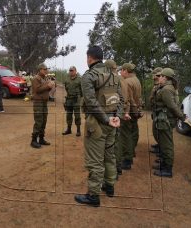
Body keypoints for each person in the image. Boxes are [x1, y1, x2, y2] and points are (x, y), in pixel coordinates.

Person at [74, 46, 121, 207]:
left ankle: (93, 196)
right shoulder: (115, 75)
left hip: (97, 124)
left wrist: (106, 119)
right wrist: (116, 117)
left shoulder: (89, 76)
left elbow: (91, 103)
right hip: (112, 122)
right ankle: (109, 187)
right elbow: (119, 99)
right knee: (109, 156)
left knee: (95, 160)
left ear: (89, 58)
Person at [152, 68, 186, 177]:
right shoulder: (168, 87)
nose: (159, 77)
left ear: (165, 78)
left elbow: (172, 106)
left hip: (165, 120)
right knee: (164, 142)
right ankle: (165, 164)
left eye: (161, 76)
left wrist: (181, 116)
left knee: (167, 145)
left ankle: (168, 169)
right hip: (164, 119)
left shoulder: (166, 89)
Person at [104, 60, 126, 177]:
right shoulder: (117, 79)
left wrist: (117, 115)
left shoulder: (113, 80)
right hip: (115, 116)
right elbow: (122, 100)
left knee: (112, 146)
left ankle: (115, 170)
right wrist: (119, 115)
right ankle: (117, 169)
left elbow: (121, 99)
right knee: (115, 144)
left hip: (110, 117)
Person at [120, 63, 142, 170]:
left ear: (126, 71)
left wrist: (126, 112)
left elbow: (128, 100)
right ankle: (131, 152)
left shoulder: (126, 82)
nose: (120, 72)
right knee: (133, 131)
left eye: (122, 70)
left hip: (129, 111)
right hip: (135, 110)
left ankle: (127, 159)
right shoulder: (136, 80)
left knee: (125, 134)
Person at [30, 63, 55, 149]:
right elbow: (37, 90)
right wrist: (47, 85)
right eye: (44, 69)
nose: (46, 70)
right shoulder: (35, 79)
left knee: (44, 120)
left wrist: (50, 86)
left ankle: (41, 138)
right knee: (39, 121)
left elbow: (46, 89)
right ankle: (33, 140)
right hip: (38, 102)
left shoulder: (44, 79)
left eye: (46, 69)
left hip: (44, 102)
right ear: (40, 70)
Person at [62, 66, 83, 136]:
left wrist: (80, 97)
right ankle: (69, 129)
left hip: (76, 100)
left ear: (75, 71)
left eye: (72, 70)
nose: (71, 72)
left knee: (77, 115)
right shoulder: (67, 80)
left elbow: (82, 90)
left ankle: (78, 130)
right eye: (70, 70)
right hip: (69, 99)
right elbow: (66, 89)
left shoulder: (80, 79)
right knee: (68, 115)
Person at [149, 67, 163, 155]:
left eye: (155, 75)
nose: (153, 77)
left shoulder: (162, 85)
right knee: (156, 131)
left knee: (159, 132)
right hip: (156, 110)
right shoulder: (157, 84)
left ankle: (162, 150)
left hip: (160, 112)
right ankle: (160, 146)